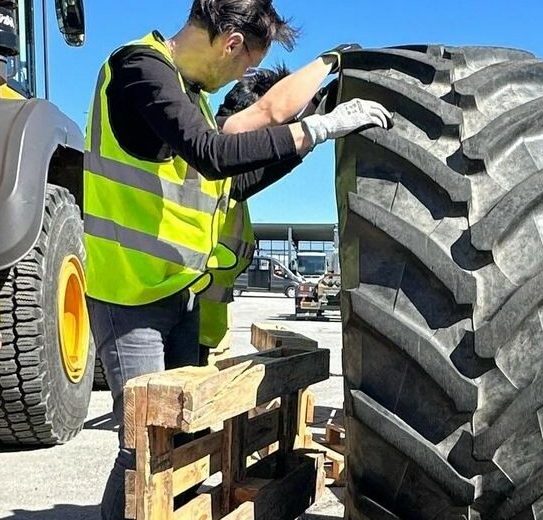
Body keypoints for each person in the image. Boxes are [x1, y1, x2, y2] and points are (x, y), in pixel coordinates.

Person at [81, 1, 389, 518]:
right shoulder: (138, 69)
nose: (239, 78)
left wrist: (318, 100)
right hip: (127, 294)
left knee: (177, 443)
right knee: (143, 448)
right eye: (246, 67)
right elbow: (214, 154)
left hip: (177, 292)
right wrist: (318, 129)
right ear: (232, 44)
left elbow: (241, 165)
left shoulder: (190, 98)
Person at [197, 66, 295, 358]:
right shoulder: (212, 164)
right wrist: (312, 130)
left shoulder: (222, 170)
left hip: (204, 333)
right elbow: (253, 174)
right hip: (179, 329)